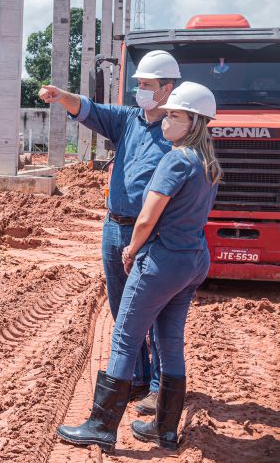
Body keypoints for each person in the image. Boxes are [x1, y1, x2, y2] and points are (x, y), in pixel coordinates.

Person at [55, 82, 222, 452]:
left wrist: (131, 249)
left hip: (161, 261)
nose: (166, 120)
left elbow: (147, 218)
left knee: (126, 336)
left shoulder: (176, 159)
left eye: (174, 115)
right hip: (193, 260)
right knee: (170, 337)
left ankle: (101, 424)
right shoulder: (207, 162)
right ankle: (164, 429)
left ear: (193, 121)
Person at [39, 50, 182, 409]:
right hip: (114, 227)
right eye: (139, 85)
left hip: (150, 232)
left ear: (166, 89)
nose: (141, 91)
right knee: (122, 309)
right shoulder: (128, 120)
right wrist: (61, 96)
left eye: (147, 86)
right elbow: (89, 109)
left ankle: (157, 386)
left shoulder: (176, 130)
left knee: (149, 311)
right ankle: (133, 378)